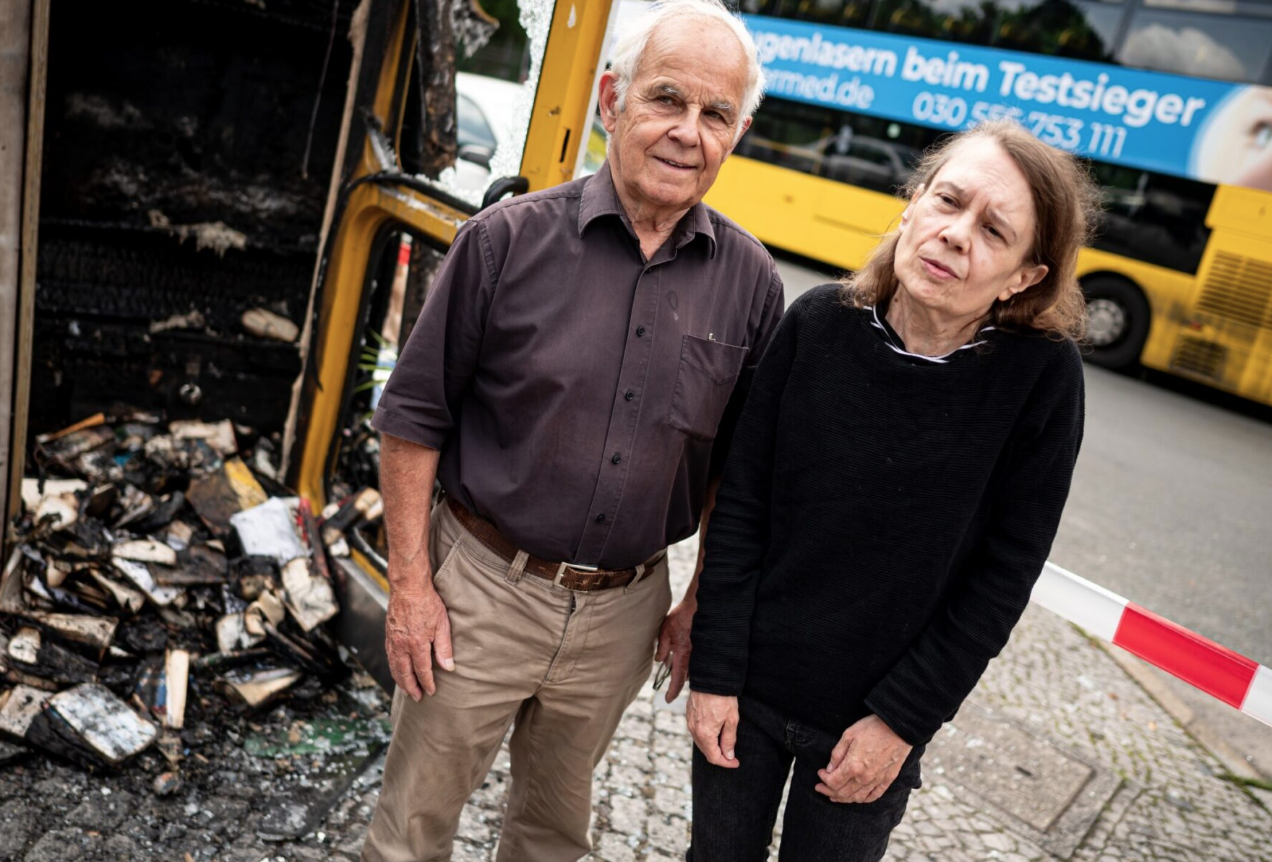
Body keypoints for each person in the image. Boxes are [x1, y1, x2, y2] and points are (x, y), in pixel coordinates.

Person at [359, 0, 783, 858]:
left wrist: (699, 601)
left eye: (715, 114)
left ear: (735, 136)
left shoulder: (751, 284)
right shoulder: (503, 242)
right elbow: (411, 419)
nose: (688, 133)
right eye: (666, 99)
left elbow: (738, 474)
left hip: (625, 613)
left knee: (553, 836)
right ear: (610, 101)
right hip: (478, 591)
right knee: (412, 829)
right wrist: (410, 588)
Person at [681, 120, 1099, 861]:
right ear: (912, 203)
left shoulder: (1041, 381)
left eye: (994, 231)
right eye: (948, 201)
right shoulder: (815, 324)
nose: (955, 235)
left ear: (1024, 277)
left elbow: (1002, 577)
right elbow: (742, 508)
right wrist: (714, 675)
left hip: (870, 724)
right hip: (747, 690)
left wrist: (902, 722)